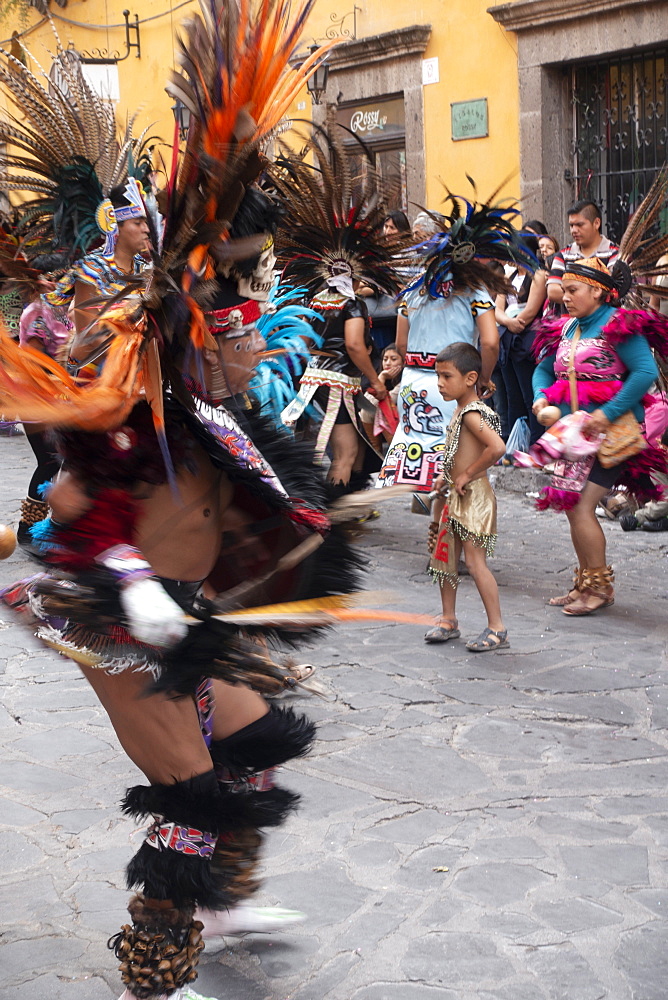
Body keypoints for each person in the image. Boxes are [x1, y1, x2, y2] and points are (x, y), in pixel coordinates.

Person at [271, 118, 403, 496]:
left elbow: (308, 340)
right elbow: (355, 346)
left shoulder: (314, 299)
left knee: (350, 449)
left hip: (310, 381)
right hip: (338, 385)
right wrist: (375, 381)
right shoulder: (351, 304)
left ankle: (345, 508)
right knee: (344, 454)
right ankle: (328, 517)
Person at [531, 256, 667, 615]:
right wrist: (540, 396)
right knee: (572, 509)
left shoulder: (618, 325)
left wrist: (606, 414)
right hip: (573, 435)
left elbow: (644, 372)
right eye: (564, 290)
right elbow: (543, 370)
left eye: (573, 290)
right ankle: (585, 584)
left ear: (598, 291)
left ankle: (600, 588)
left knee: (581, 506)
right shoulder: (566, 328)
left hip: (612, 434)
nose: (566, 297)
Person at [377, 190, 535, 493]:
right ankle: (450, 524)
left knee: (422, 459)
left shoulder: (412, 288)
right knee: (458, 463)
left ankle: (431, 512)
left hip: (414, 383)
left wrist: (412, 366)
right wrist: (482, 379)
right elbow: (490, 342)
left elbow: (400, 342)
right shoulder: (474, 289)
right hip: (456, 381)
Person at [424, 341, 507, 651]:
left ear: (470, 378)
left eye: (446, 376)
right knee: (444, 558)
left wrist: (467, 474)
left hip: (474, 497)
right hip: (455, 495)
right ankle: (448, 618)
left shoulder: (473, 412)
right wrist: (445, 479)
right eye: (438, 376)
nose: (440, 383)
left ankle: (497, 627)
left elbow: (497, 448)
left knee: (474, 563)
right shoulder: (461, 409)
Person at [16, 253, 73, 545]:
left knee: (63, 461)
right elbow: (36, 362)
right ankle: (29, 529)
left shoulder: (69, 309)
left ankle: (50, 525)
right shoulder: (38, 311)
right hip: (39, 398)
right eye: (58, 276)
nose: (63, 281)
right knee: (49, 460)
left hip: (64, 398)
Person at [546, 200, 618, 307]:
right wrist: (589, 293)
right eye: (571, 225)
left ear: (596, 223)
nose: (574, 230)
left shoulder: (614, 253)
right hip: (569, 322)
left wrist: (572, 292)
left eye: (580, 225)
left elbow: (614, 292)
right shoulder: (563, 255)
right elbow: (552, 292)